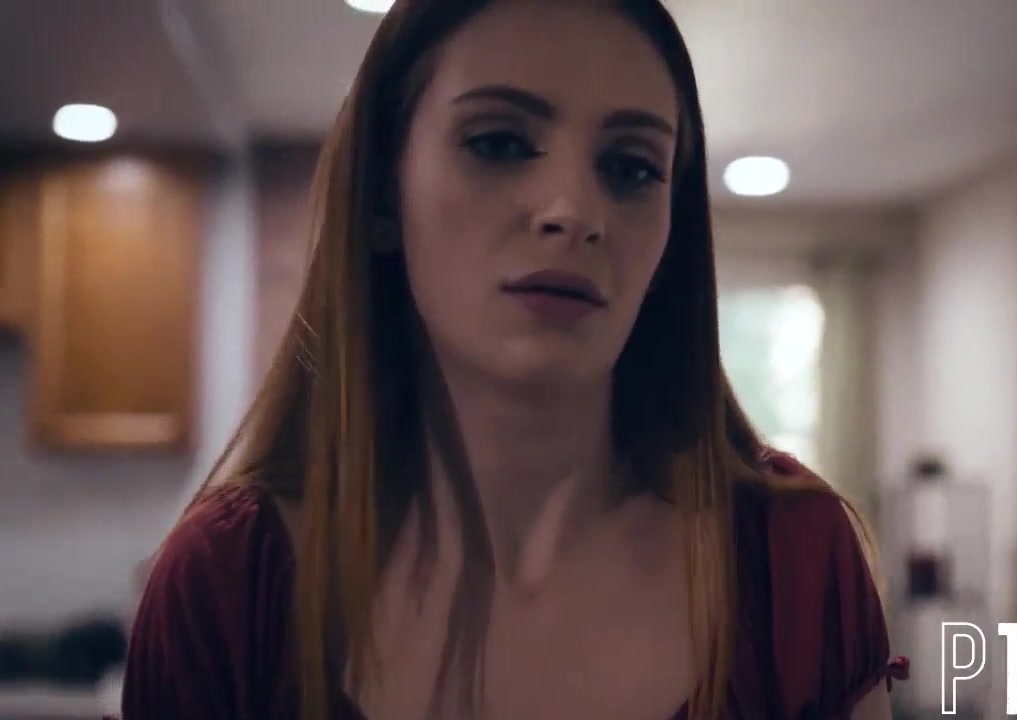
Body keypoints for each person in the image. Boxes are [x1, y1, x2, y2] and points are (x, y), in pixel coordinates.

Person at [117, 0, 908, 718]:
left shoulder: (791, 560)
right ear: (384, 193)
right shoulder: (227, 581)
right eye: (498, 143)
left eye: (632, 166)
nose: (574, 210)